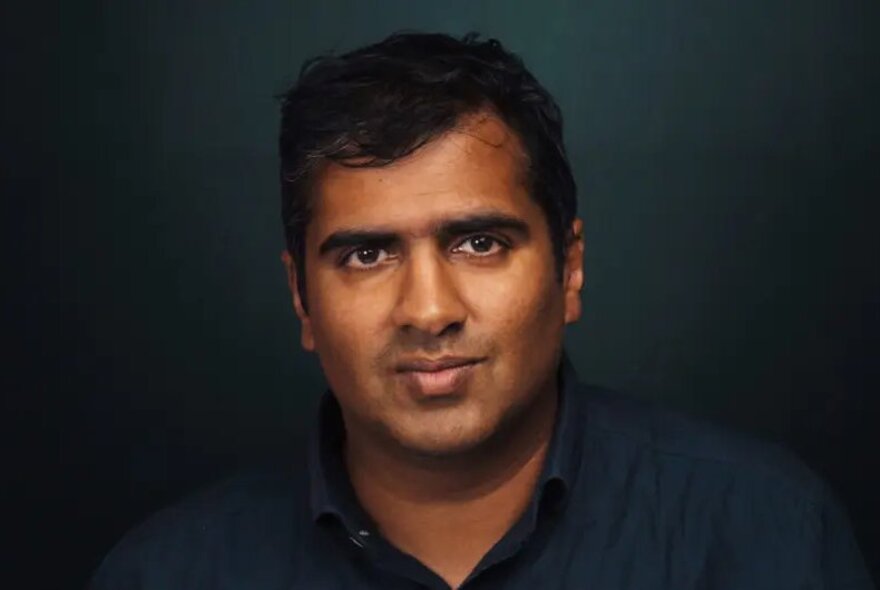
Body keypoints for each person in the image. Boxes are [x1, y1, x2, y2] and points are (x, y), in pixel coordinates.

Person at [90, 32, 874, 589]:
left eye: (478, 244)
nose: (428, 310)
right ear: (302, 299)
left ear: (569, 269)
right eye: (367, 255)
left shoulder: (759, 533)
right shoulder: (167, 574)